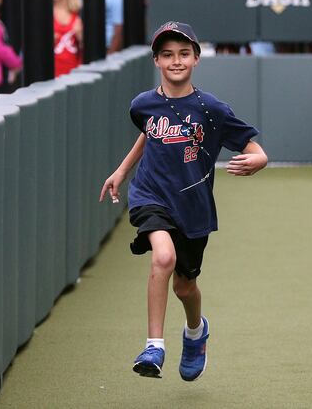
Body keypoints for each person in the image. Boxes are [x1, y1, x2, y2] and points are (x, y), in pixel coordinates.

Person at [99, 21, 268, 380]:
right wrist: (123, 171)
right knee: (163, 256)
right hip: (149, 195)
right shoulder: (142, 105)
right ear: (156, 61)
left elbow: (253, 146)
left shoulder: (212, 109)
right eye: (167, 55)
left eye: (183, 54)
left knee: (184, 285)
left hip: (192, 206)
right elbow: (150, 135)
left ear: (196, 59)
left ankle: (195, 332)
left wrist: (259, 159)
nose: (176, 61)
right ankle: (154, 346)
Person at [53, 0, 83, 77]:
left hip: (73, 75)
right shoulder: (43, 14)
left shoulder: (78, 14)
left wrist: (81, 36)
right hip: (49, 77)